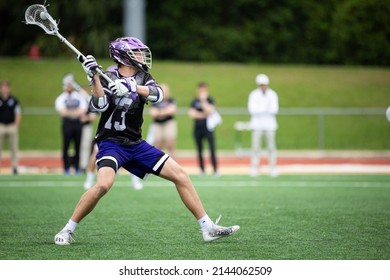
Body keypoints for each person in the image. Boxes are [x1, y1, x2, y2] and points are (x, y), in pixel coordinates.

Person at [54, 37, 239, 245]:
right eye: (137, 52)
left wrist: (131, 86)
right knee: (103, 185)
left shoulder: (144, 77)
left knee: (181, 175)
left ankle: (208, 228)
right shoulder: (107, 75)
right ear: (124, 56)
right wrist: (94, 78)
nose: (142, 56)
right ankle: (68, 229)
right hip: (111, 143)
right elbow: (99, 106)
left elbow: (157, 94)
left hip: (136, 144)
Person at [55, 75, 88, 175]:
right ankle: (66, 168)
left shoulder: (79, 96)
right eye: (67, 85)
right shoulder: (61, 98)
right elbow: (62, 111)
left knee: (78, 147)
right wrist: (74, 113)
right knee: (66, 146)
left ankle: (77, 168)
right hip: (67, 123)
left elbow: (83, 109)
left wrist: (71, 112)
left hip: (77, 124)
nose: (69, 87)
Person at [248, 73, 279, 177]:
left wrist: (261, 109)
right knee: (255, 148)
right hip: (257, 125)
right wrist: (266, 108)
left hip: (270, 125)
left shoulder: (273, 94)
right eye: (261, 84)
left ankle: (273, 168)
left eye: (264, 84)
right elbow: (252, 110)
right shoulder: (253, 94)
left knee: (271, 147)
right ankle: (254, 168)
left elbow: (274, 110)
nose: (263, 86)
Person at [188, 82, 220, 176]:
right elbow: (192, 114)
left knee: (212, 149)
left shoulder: (210, 100)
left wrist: (203, 101)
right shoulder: (194, 101)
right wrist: (204, 115)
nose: (202, 92)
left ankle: (215, 170)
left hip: (208, 128)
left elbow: (210, 111)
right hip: (198, 128)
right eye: (200, 90)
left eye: (204, 90)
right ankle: (202, 169)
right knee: (199, 149)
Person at [149, 83, 177, 158]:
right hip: (157, 124)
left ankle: (173, 162)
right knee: (158, 145)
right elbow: (153, 113)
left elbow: (172, 110)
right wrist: (165, 111)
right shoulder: (155, 100)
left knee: (170, 144)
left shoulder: (171, 100)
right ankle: (158, 165)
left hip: (168, 123)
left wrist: (160, 112)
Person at [0, 80, 22, 175]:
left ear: (9, 89)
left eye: (6, 87)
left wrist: (16, 125)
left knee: (14, 148)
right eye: (3, 87)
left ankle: (15, 167)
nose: (5, 89)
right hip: (1, 126)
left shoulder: (14, 100)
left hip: (11, 126)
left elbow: (18, 113)